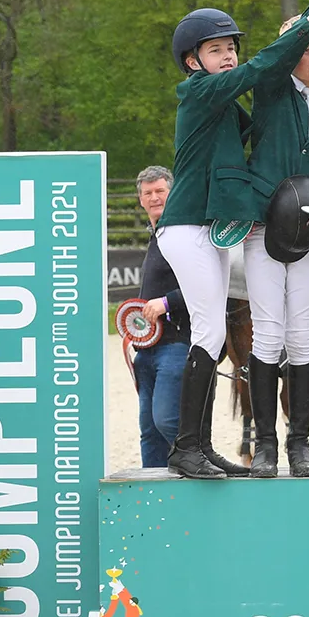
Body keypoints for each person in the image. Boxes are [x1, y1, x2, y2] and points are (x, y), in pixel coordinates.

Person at [155, 0, 309, 479]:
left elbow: (293, 148)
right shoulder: (201, 92)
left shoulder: (233, 103)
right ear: (192, 63)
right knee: (213, 332)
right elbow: (265, 70)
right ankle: (200, 446)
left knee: (218, 332)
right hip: (189, 222)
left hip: (227, 226)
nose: (228, 56)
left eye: (231, 47)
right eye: (216, 50)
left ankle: (203, 446)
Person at [241, 14, 309, 478]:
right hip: (265, 229)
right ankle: (265, 444)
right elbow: (276, 60)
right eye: (306, 50)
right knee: (267, 333)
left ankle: (300, 443)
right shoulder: (269, 91)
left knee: (304, 336)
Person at [133, 166, 189, 469]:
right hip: (147, 348)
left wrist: (166, 303)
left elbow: (207, 285)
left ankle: (199, 473)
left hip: (176, 344)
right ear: (141, 200)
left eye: (160, 191)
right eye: (148, 193)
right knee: (149, 432)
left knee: (167, 420)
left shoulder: (184, 235)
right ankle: (151, 490)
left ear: (172, 193)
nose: (154, 197)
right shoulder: (155, 236)